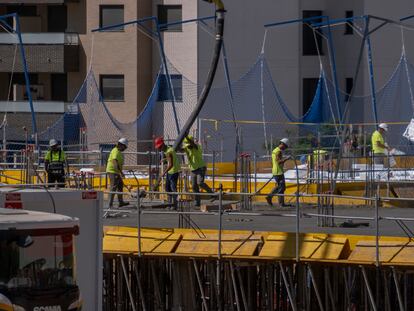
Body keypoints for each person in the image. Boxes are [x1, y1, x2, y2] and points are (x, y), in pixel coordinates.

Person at [182, 135, 213, 207]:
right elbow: (181, 149)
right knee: (194, 186)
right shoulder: (187, 148)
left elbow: (192, 144)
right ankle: (197, 202)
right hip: (193, 169)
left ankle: (212, 194)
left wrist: (186, 136)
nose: (188, 146)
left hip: (200, 167)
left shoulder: (196, 146)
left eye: (189, 144)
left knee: (200, 183)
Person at [155, 137, 181, 210]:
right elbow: (171, 158)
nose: (159, 149)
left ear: (162, 144)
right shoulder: (168, 149)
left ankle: (174, 205)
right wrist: (165, 159)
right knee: (168, 188)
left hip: (173, 172)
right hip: (171, 171)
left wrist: (163, 172)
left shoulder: (168, 151)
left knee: (173, 189)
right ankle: (170, 203)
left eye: (159, 147)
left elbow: (171, 164)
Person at [266, 138, 292, 207]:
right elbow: (279, 162)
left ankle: (270, 197)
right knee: (282, 187)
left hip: (276, 171)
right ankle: (277, 201)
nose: (285, 148)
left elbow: (274, 161)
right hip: (278, 172)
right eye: (285, 147)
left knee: (280, 187)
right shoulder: (278, 151)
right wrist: (287, 158)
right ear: (283, 144)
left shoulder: (275, 150)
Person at [106, 138, 129, 208]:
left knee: (120, 185)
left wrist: (120, 173)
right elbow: (114, 162)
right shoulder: (115, 151)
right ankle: (109, 204)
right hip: (113, 171)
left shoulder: (118, 151)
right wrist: (120, 173)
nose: (124, 149)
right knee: (113, 187)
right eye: (124, 147)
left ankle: (121, 202)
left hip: (116, 171)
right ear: (121, 145)